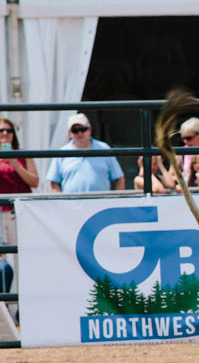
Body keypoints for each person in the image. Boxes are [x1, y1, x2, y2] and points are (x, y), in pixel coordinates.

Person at [0, 117, 39, 317]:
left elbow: (34, 181)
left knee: (21, 260)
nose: (5, 134)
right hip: (0, 213)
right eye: (1, 131)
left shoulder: (23, 155)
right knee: (2, 263)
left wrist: (15, 164)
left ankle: (20, 310)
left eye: (9, 131)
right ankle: (5, 309)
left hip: (17, 213)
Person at [47, 113, 125, 192]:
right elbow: (53, 183)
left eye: (83, 129)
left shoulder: (104, 148)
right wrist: (62, 203)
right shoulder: (62, 153)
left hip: (101, 202)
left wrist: (115, 201)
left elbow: (119, 178)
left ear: (90, 130)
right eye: (75, 130)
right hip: (71, 203)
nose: (79, 133)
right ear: (69, 133)